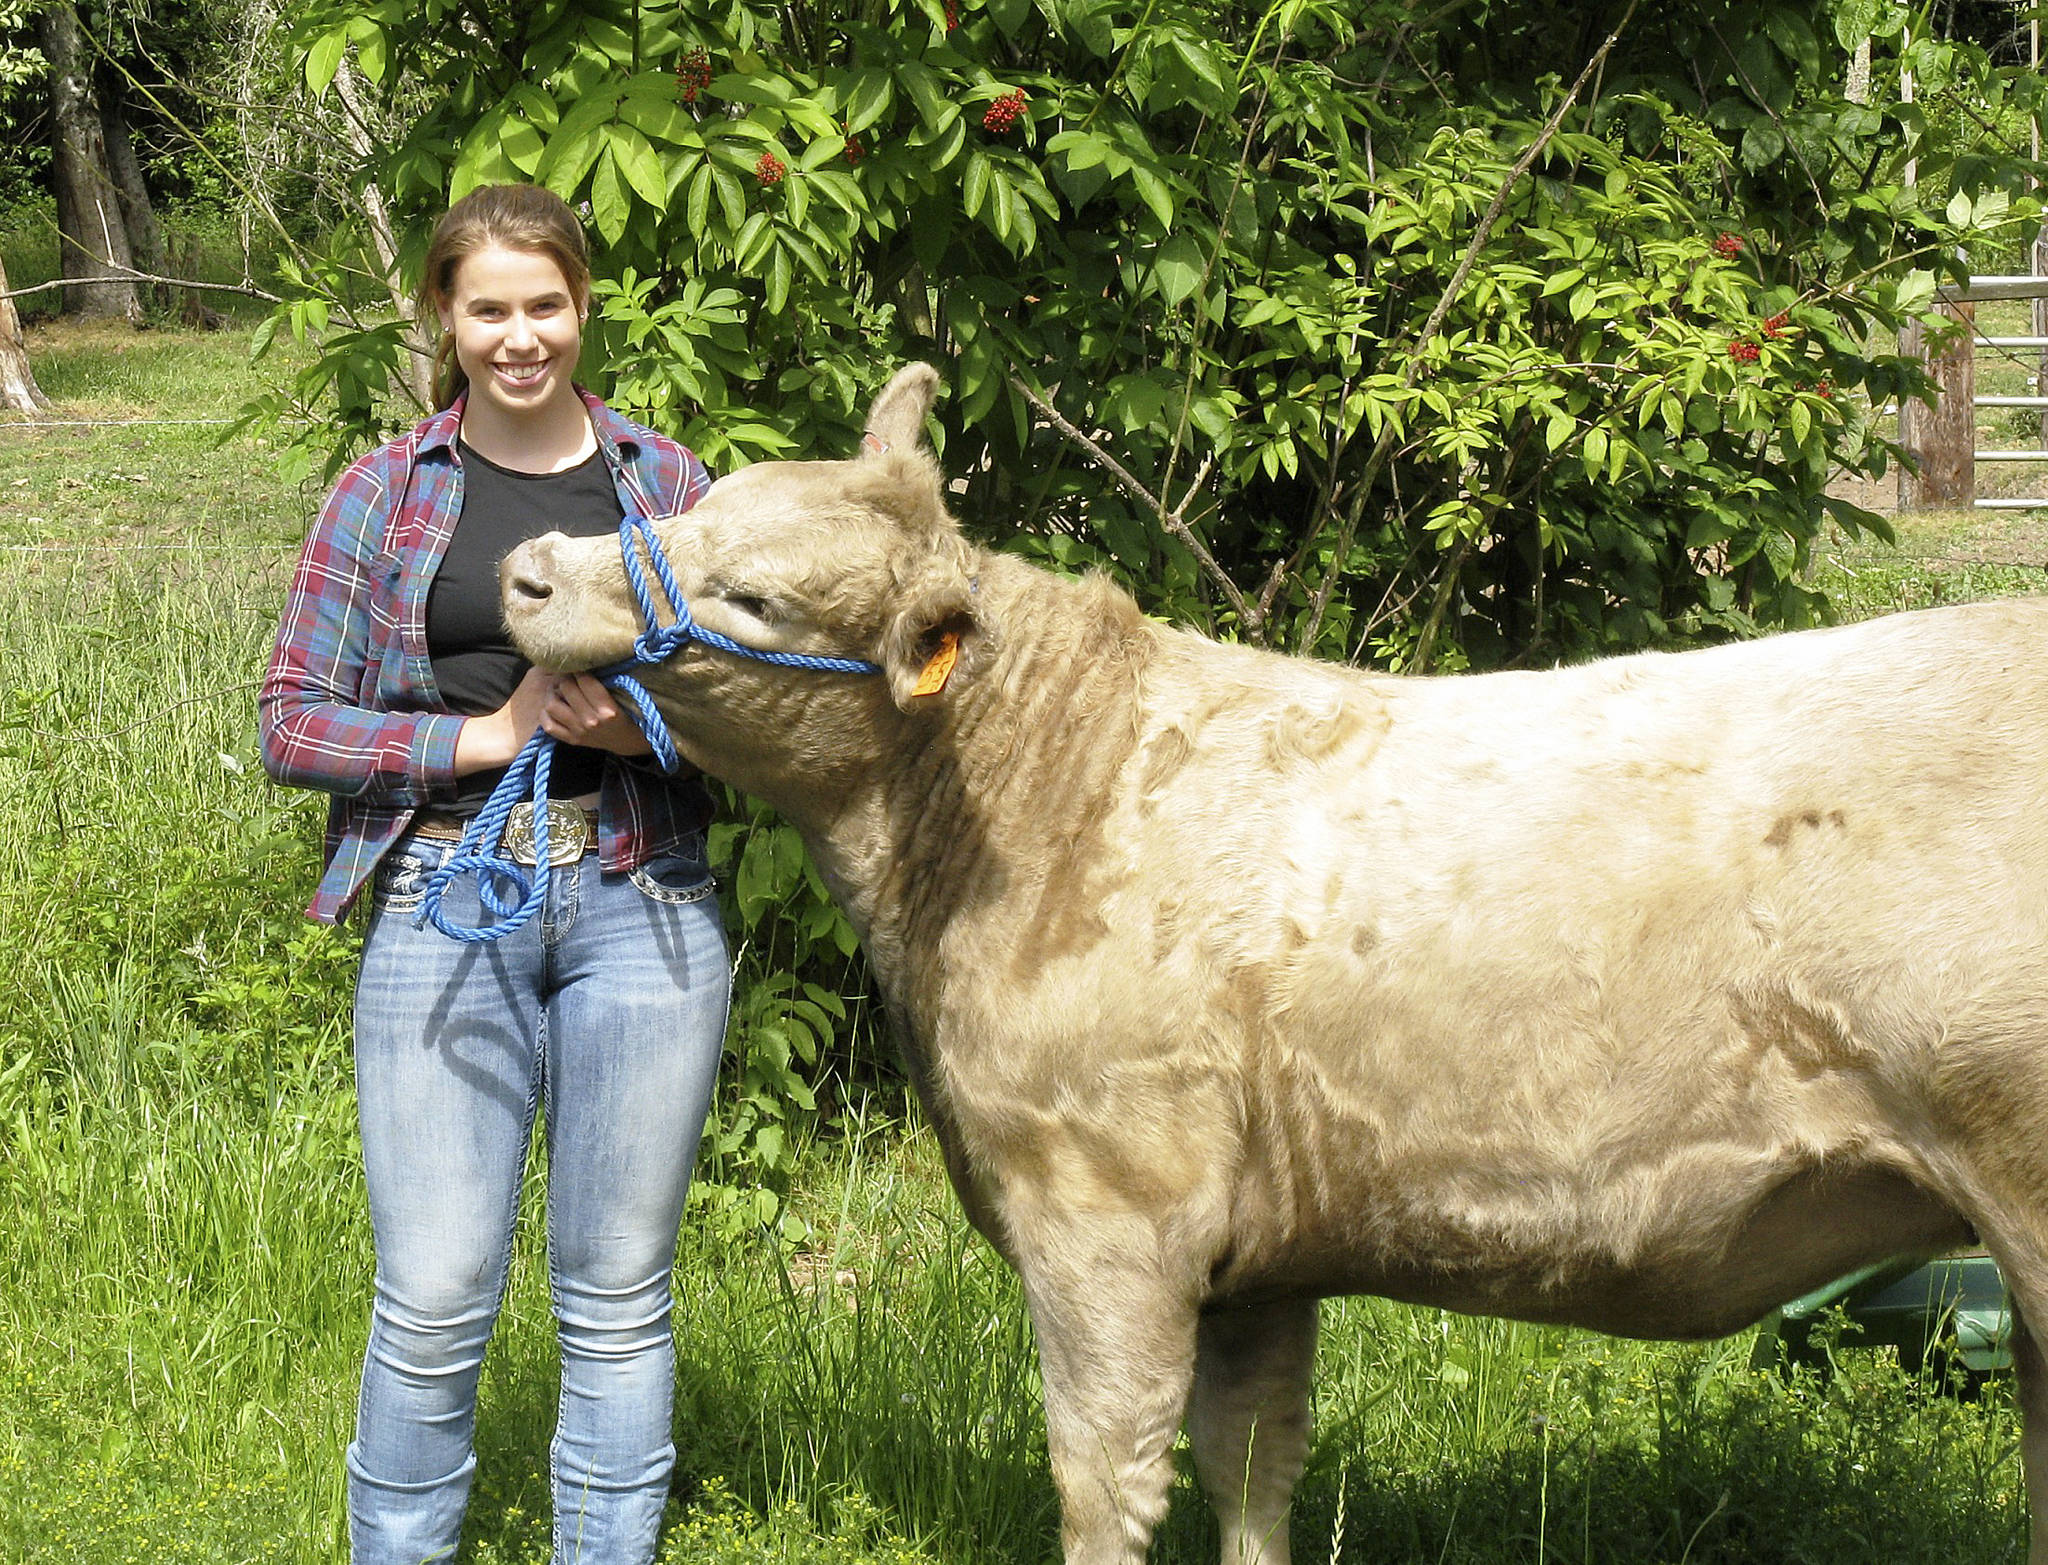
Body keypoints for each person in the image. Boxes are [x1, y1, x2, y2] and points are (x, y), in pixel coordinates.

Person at [259, 183, 730, 1565]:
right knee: (435, 1290)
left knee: (618, 1295)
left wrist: (641, 723)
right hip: (439, 894)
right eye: (489, 310)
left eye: (545, 306)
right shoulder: (385, 489)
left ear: (583, 308)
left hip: (645, 902)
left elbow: (753, 717)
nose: (519, 337)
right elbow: (293, 718)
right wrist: (491, 732)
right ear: (445, 318)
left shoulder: (670, 485)